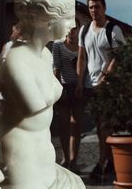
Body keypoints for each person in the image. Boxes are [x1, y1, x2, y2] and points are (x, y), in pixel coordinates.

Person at [0, 0, 84, 189]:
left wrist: (51, 90)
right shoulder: (14, 58)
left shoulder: (45, 55)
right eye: (68, 18)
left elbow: (47, 96)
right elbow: (33, 104)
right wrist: (54, 89)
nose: (72, 25)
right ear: (48, 21)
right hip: (21, 165)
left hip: (45, 160)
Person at [75, 0, 124, 181]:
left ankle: (101, 163)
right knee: (100, 125)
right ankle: (110, 163)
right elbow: (82, 57)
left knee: (104, 125)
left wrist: (104, 78)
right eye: (91, 7)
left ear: (104, 8)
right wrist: (80, 82)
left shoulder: (113, 30)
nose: (94, 10)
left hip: (108, 86)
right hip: (89, 84)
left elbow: (118, 57)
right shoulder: (85, 30)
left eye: (97, 7)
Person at [52, 18, 82, 173]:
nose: (72, 30)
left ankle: (74, 160)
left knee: (76, 125)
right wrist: (58, 90)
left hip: (78, 88)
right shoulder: (58, 45)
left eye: (75, 27)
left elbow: (85, 66)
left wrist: (80, 85)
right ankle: (65, 158)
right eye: (70, 27)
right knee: (64, 125)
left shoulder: (83, 45)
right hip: (63, 88)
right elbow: (56, 68)